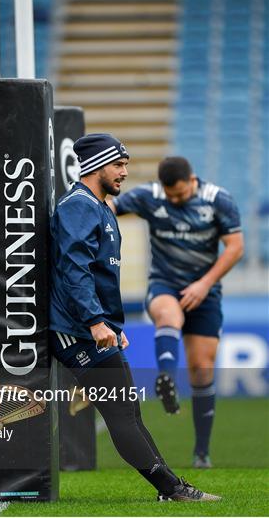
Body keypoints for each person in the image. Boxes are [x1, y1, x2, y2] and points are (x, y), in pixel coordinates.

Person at [49, 134, 221, 501]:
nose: (125, 172)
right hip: (76, 331)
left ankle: (172, 488)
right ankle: (173, 489)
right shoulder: (78, 205)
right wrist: (96, 321)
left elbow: (97, 273)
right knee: (122, 416)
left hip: (93, 327)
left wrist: (108, 323)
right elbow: (74, 268)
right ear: (96, 165)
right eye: (119, 164)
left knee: (128, 413)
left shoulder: (101, 207)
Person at [108, 156, 244, 468]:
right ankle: (167, 380)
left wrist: (205, 283)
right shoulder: (150, 196)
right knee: (168, 316)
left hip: (205, 290)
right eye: (171, 196)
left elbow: (235, 247)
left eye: (180, 195)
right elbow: (110, 208)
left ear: (192, 181)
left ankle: (201, 451)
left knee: (202, 370)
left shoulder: (218, 200)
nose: (175, 200)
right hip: (164, 283)